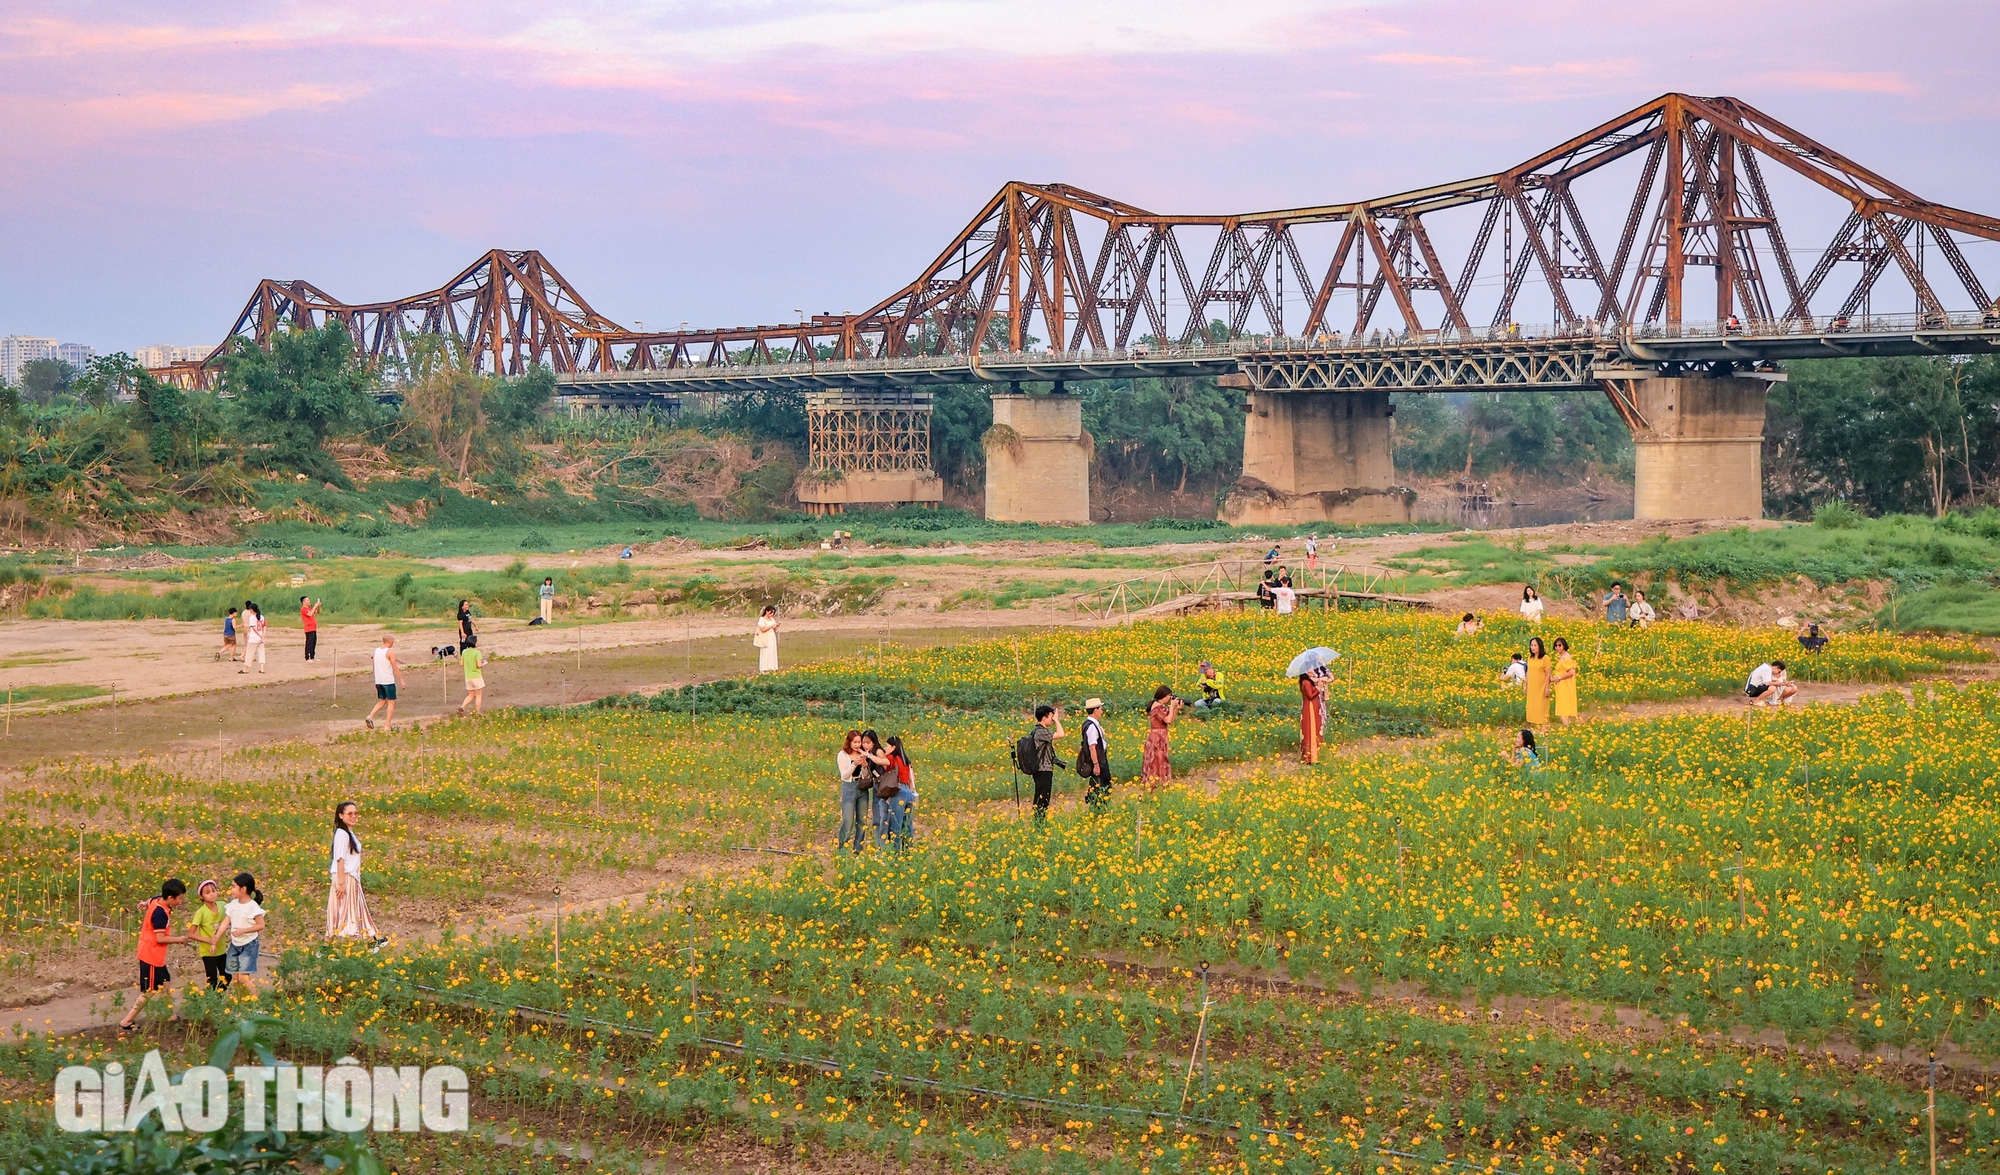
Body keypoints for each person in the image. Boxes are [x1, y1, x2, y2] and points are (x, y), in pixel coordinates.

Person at [119, 878, 190, 1031]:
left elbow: (151, 898)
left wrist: (145, 902)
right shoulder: (160, 914)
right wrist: (180, 939)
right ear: (170, 898)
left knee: (165, 981)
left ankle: (169, 1014)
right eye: (180, 898)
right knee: (150, 990)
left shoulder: (158, 900)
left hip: (156, 955)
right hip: (150, 954)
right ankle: (127, 1021)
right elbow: (160, 938)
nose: (181, 901)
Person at [327, 801, 383, 944]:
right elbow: (340, 859)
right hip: (345, 877)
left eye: (355, 813)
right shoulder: (342, 834)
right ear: (341, 815)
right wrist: (341, 883)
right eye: (350, 814)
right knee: (343, 912)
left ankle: (371, 939)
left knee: (351, 910)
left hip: (351, 877)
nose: (353, 816)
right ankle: (333, 946)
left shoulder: (348, 833)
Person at [225, 873, 267, 993]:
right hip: (235, 945)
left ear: (243, 889)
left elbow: (261, 925)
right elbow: (226, 922)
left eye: (233, 887)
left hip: (249, 945)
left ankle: (258, 1001)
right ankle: (242, 1004)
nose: (231, 890)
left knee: (243, 978)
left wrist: (243, 931)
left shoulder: (253, 907)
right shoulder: (233, 904)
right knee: (237, 978)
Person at [188, 879, 230, 990]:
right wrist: (209, 941)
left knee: (227, 976)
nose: (212, 894)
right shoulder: (201, 912)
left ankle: (217, 999)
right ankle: (209, 1002)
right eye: (207, 892)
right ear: (202, 897)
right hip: (207, 952)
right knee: (212, 980)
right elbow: (191, 934)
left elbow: (234, 912)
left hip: (221, 950)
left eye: (213, 891)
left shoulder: (223, 905)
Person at [1025, 704, 1066, 821]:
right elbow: (1061, 734)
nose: (1052, 720)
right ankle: (1039, 822)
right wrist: (1057, 720)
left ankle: (1039, 820)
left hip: (1043, 769)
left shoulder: (1038, 731)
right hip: (1042, 769)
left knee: (1042, 796)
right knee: (1042, 798)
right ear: (1044, 718)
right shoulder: (1040, 732)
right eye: (1051, 717)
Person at [860, 729, 898, 846]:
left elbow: (885, 764)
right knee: (877, 817)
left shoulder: (878, 751)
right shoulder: (868, 754)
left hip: (884, 787)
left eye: (868, 742)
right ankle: (879, 845)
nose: (865, 745)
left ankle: (884, 845)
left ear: (874, 742)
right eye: (863, 742)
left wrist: (870, 756)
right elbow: (866, 775)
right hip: (876, 786)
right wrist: (865, 765)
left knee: (883, 816)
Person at [836, 730, 869, 855]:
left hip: (861, 787)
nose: (857, 745)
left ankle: (858, 850)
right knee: (848, 820)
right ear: (849, 742)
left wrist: (865, 766)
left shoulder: (862, 754)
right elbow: (844, 775)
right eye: (854, 742)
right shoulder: (843, 755)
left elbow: (865, 776)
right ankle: (842, 849)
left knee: (862, 820)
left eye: (859, 742)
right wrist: (854, 764)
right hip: (849, 787)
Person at [1142, 686, 1180, 788]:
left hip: (1161, 736)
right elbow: (1167, 720)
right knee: (1156, 760)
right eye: (1169, 696)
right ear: (1164, 696)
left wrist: (1176, 708)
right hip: (1157, 737)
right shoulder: (1157, 707)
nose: (1170, 698)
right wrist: (1172, 706)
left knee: (1161, 759)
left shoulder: (1161, 706)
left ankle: (1161, 783)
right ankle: (1154, 783)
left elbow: (1170, 721)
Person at [364, 634, 404, 731]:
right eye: (393, 641)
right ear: (389, 641)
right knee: (391, 702)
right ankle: (387, 725)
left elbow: (374, 666)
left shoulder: (375, 651)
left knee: (383, 700)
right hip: (388, 680)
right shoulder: (390, 652)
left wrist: (375, 680)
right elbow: (395, 667)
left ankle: (370, 716)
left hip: (379, 680)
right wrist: (401, 680)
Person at [884, 735, 917, 846]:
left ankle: (895, 853)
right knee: (907, 825)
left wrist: (868, 755)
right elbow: (912, 780)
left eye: (887, 746)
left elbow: (881, 762)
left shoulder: (892, 758)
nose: (885, 749)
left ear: (893, 747)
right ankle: (908, 852)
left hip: (898, 792)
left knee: (895, 825)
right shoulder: (906, 760)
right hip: (908, 792)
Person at [1078, 699, 1111, 809]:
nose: (1102, 711)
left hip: (1099, 760)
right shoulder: (1092, 726)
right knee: (1101, 785)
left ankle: (1098, 806)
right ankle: (1098, 807)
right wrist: (1096, 764)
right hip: (1098, 761)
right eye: (1100, 709)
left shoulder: (1091, 724)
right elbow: (1092, 747)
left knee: (1099, 785)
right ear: (1095, 710)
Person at [1548, 636, 1579, 724]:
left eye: (1560, 645)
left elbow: (1571, 672)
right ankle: (1568, 726)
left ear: (1564, 646)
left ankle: (1567, 726)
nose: (1557, 647)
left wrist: (1559, 677)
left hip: (1565, 684)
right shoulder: (1561, 657)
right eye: (1556, 646)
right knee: (1562, 706)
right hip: (1561, 685)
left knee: (1564, 707)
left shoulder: (1566, 657)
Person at [1298, 665, 1325, 765]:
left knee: (1313, 730)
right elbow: (1310, 696)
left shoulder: (1308, 681)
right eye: (1310, 669)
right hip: (1310, 708)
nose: (1312, 670)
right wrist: (1318, 688)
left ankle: (1312, 755)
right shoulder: (1307, 682)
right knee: (1311, 730)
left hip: (1312, 707)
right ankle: (1310, 756)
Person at [455, 634, 486, 715]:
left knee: (471, 695)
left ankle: (462, 707)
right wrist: (484, 663)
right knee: (478, 696)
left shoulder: (464, 652)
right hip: (476, 676)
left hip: (468, 677)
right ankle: (478, 712)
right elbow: (479, 665)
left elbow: (461, 663)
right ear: (474, 643)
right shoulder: (477, 653)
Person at [1524, 637, 1550, 725]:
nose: (1533, 647)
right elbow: (1528, 672)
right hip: (1532, 687)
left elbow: (1548, 674)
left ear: (1540, 646)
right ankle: (1535, 727)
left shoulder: (1545, 658)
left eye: (1535, 645)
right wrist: (1525, 685)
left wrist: (1547, 688)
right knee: (1532, 707)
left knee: (1542, 708)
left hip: (1541, 687)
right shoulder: (1530, 658)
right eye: (1531, 645)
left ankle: (1544, 728)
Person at [239, 601, 267, 674]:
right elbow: (264, 627)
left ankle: (245, 668)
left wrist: (259, 635)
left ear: (252, 610)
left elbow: (254, 628)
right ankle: (262, 668)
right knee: (261, 653)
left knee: (249, 653)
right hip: (261, 638)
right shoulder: (262, 617)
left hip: (254, 638)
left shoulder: (252, 617)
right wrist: (262, 636)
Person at [754, 605, 780, 673]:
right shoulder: (762, 619)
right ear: (766, 611)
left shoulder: (772, 619)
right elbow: (762, 629)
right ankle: (764, 668)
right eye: (770, 612)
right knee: (766, 652)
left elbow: (773, 630)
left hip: (772, 637)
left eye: (773, 613)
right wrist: (771, 626)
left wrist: (775, 627)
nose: (771, 614)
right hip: (765, 637)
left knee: (772, 652)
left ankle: (772, 667)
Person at [300, 596, 321, 661]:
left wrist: (318, 606)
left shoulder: (309, 608)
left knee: (313, 643)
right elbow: (310, 614)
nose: (309, 601)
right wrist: (315, 606)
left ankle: (312, 656)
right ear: (303, 602)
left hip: (313, 628)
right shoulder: (303, 609)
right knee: (309, 643)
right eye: (307, 600)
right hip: (308, 628)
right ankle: (307, 657)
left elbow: (317, 612)